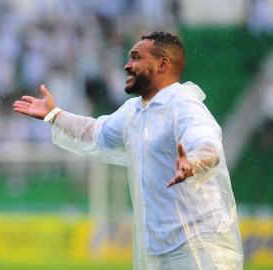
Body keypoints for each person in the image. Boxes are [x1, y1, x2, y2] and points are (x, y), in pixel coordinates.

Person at [13, 31, 244, 269]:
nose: (127, 65)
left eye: (136, 58)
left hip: (198, 247)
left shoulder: (184, 106)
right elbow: (94, 132)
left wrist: (193, 163)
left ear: (163, 64)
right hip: (155, 251)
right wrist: (54, 115)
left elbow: (208, 147)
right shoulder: (134, 112)